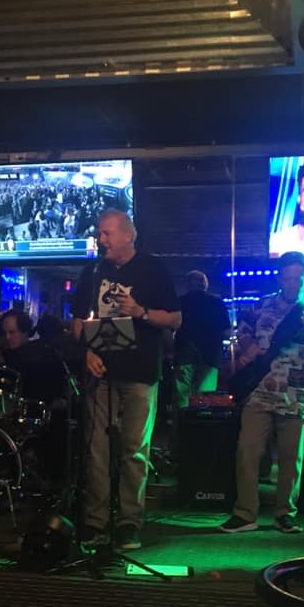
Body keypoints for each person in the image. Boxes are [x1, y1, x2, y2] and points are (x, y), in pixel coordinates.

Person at [71, 209, 181, 550]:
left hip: (139, 373)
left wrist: (140, 312)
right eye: (100, 234)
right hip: (100, 373)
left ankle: (129, 522)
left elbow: (175, 319)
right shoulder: (92, 271)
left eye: (106, 234)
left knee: (134, 451)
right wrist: (85, 350)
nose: (101, 240)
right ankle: (96, 521)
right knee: (96, 451)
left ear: (126, 235)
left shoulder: (153, 268)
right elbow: (76, 321)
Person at [220, 251, 304, 535]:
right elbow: (239, 333)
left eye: (298, 277)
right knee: (247, 451)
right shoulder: (261, 306)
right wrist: (247, 349)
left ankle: (285, 513)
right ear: (280, 277)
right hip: (258, 391)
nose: (293, 283)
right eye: (288, 277)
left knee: (292, 459)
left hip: (297, 393)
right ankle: (245, 512)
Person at [173, 270, 232, 409]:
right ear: (205, 284)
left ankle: (182, 425)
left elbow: (171, 327)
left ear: (187, 285)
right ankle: (201, 426)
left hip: (184, 353)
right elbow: (226, 332)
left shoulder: (179, 302)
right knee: (205, 399)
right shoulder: (217, 302)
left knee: (182, 397)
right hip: (210, 355)